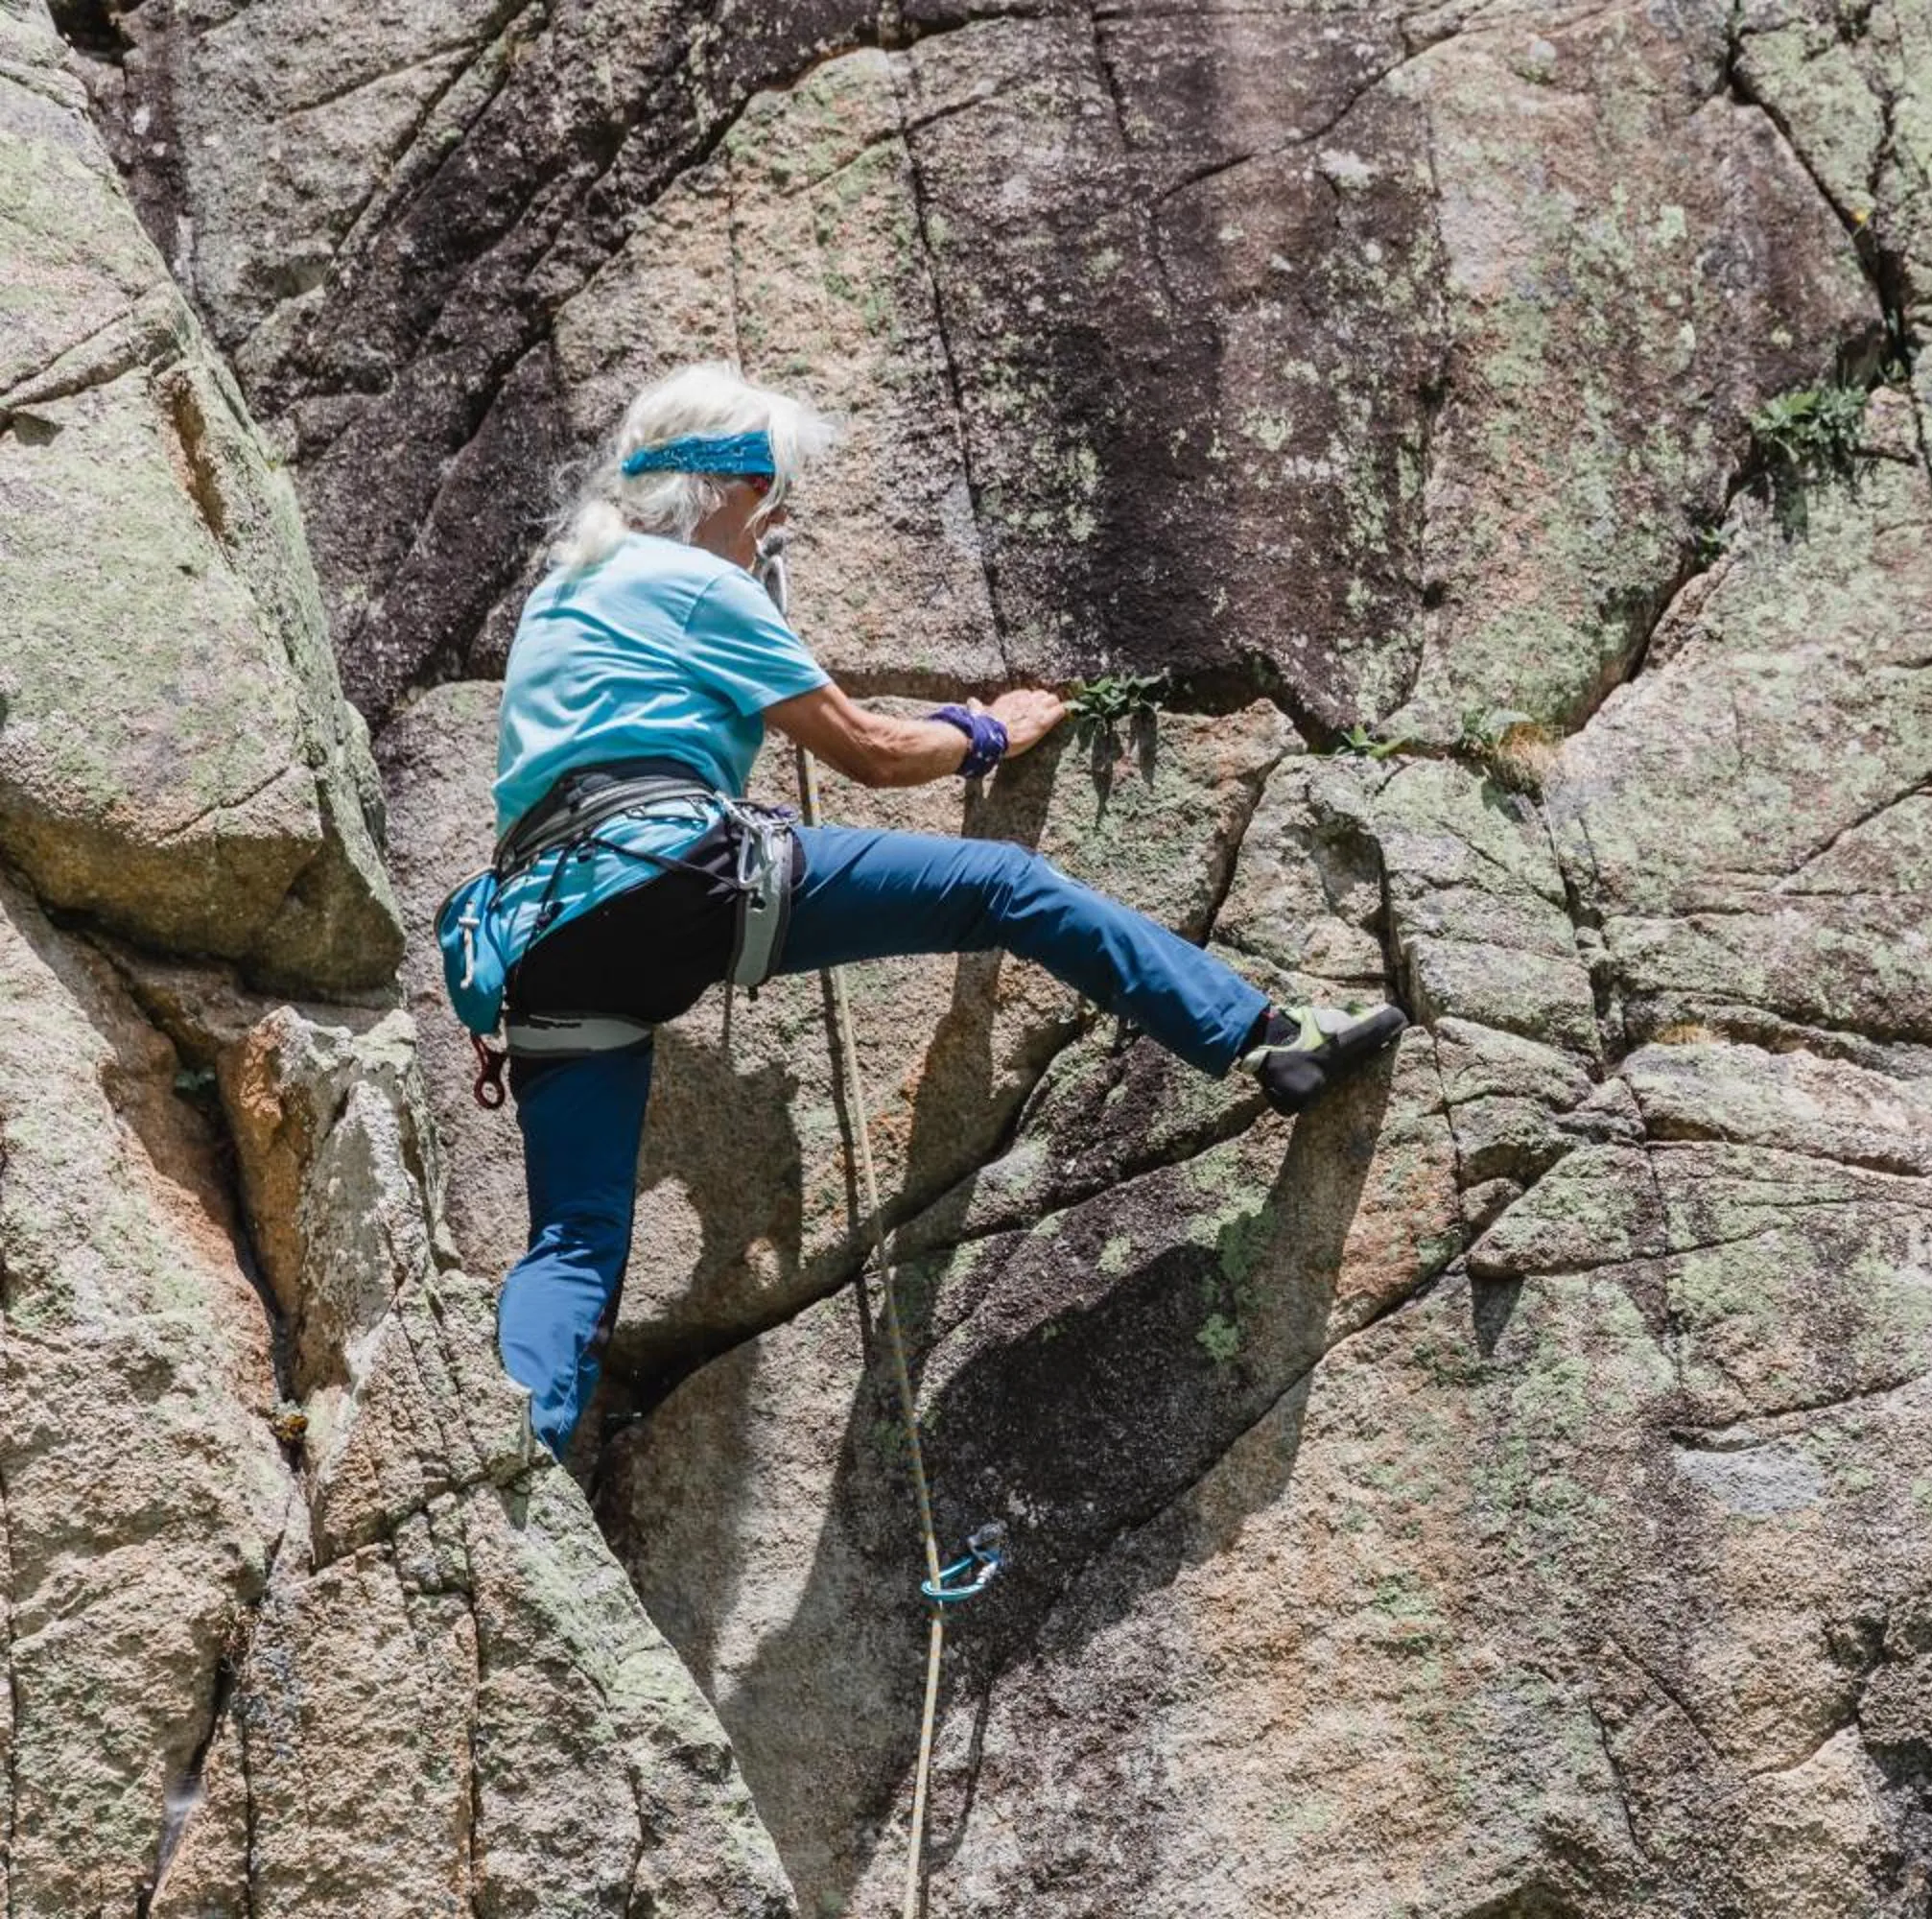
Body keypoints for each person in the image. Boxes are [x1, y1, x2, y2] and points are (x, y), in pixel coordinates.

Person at [477, 363, 1404, 1459]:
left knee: (575, 1236)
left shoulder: (562, 592)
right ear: (724, 485)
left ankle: (510, 1458)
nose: (778, 523)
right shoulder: (693, 588)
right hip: (671, 873)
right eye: (773, 495)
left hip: (537, 935)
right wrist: (985, 731)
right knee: (1005, 888)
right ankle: (1265, 1036)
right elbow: (869, 752)